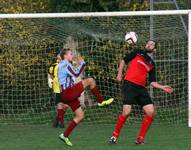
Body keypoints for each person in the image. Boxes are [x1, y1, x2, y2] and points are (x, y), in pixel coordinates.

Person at [109, 40, 173, 144]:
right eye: (148, 43)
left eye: (152, 44)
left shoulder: (152, 64)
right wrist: (119, 74)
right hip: (129, 84)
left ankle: (140, 138)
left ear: (154, 49)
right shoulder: (138, 52)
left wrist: (162, 87)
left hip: (141, 88)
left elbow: (152, 82)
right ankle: (114, 136)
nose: (149, 44)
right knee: (126, 112)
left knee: (151, 112)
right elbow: (123, 61)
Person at [58, 48, 114, 146]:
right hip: (68, 92)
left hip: (66, 94)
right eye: (70, 54)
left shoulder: (62, 64)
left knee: (80, 116)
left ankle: (65, 135)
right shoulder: (65, 64)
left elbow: (72, 74)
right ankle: (100, 101)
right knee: (90, 80)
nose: (72, 55)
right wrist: (82, 63)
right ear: (65, 56)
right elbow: (76, 73)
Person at [48, 54, 69, 128]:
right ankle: (61, 122)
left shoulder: (67, 64)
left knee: (66, 105)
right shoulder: (54, 66)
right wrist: (50, 81)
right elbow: (49, 73)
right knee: (60, 104)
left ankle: (57, 118)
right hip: (57, 88)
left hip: (67, 87)